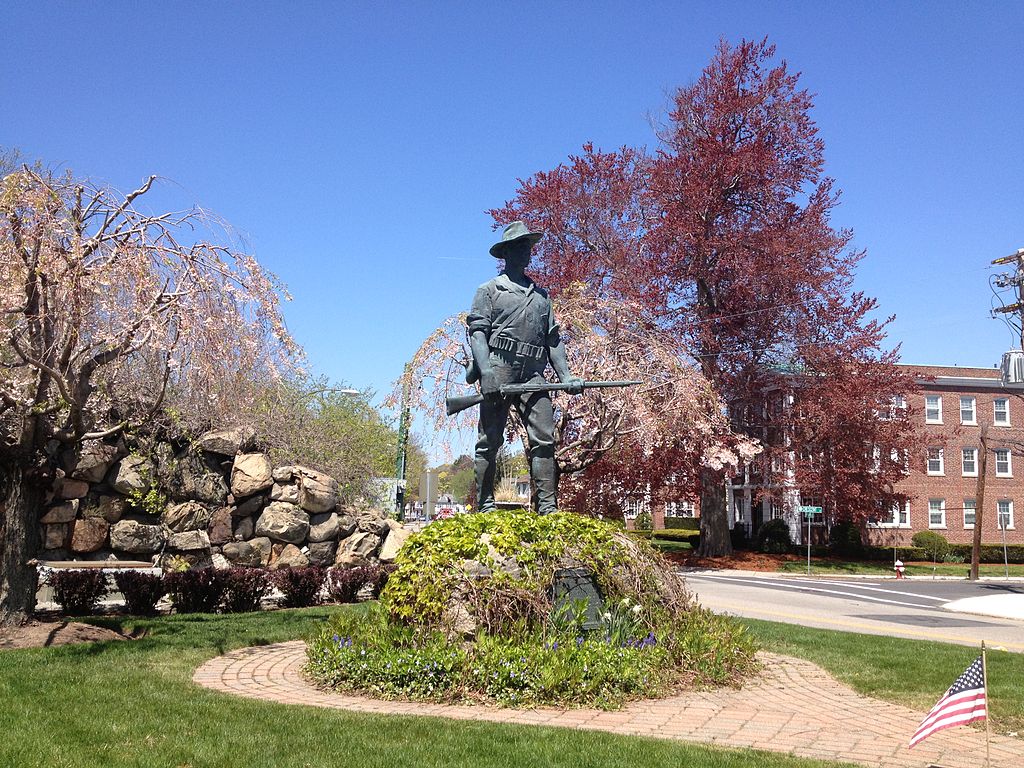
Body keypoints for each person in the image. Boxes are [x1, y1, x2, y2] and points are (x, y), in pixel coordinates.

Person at [466, 221, 582, 515]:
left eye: (528, 245)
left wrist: (566, 376)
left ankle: (547, 507)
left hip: (533, 373)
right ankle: (485, 505)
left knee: (544, 439)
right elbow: (478, 334)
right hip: (499, 368)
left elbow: (553, 340)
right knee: (489, 441)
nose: (526, 251)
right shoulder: (489, 290)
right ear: (506, 252)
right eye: (519, 245)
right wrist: (487, 373)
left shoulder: (542, 296)